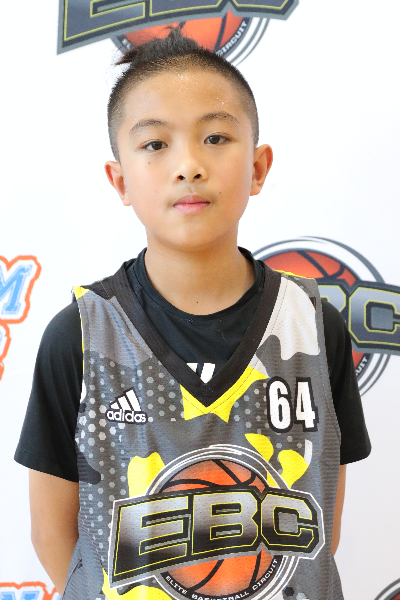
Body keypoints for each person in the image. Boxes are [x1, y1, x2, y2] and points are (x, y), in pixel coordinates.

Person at [15, 28, 370, 600]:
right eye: (155, 144)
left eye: (215, 137)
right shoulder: (80, 334)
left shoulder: (311, 324)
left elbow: (321, 520)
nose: (188, 165)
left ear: (258, 167)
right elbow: (51, 531)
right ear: (120, 180)